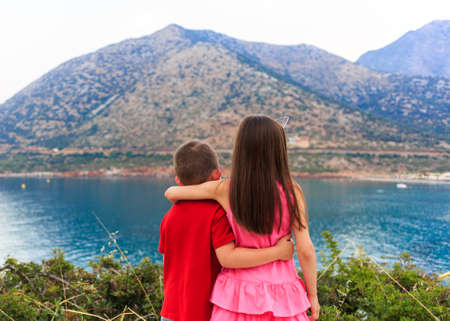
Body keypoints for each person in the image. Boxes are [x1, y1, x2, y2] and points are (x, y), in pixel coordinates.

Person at [165, 115, 320, 321]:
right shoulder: (293, 192)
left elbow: (172, 192)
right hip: (282, 296)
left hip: (235, 296)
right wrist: (313, 295)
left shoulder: (224, 189)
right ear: (279, 150)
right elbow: (305, 250)